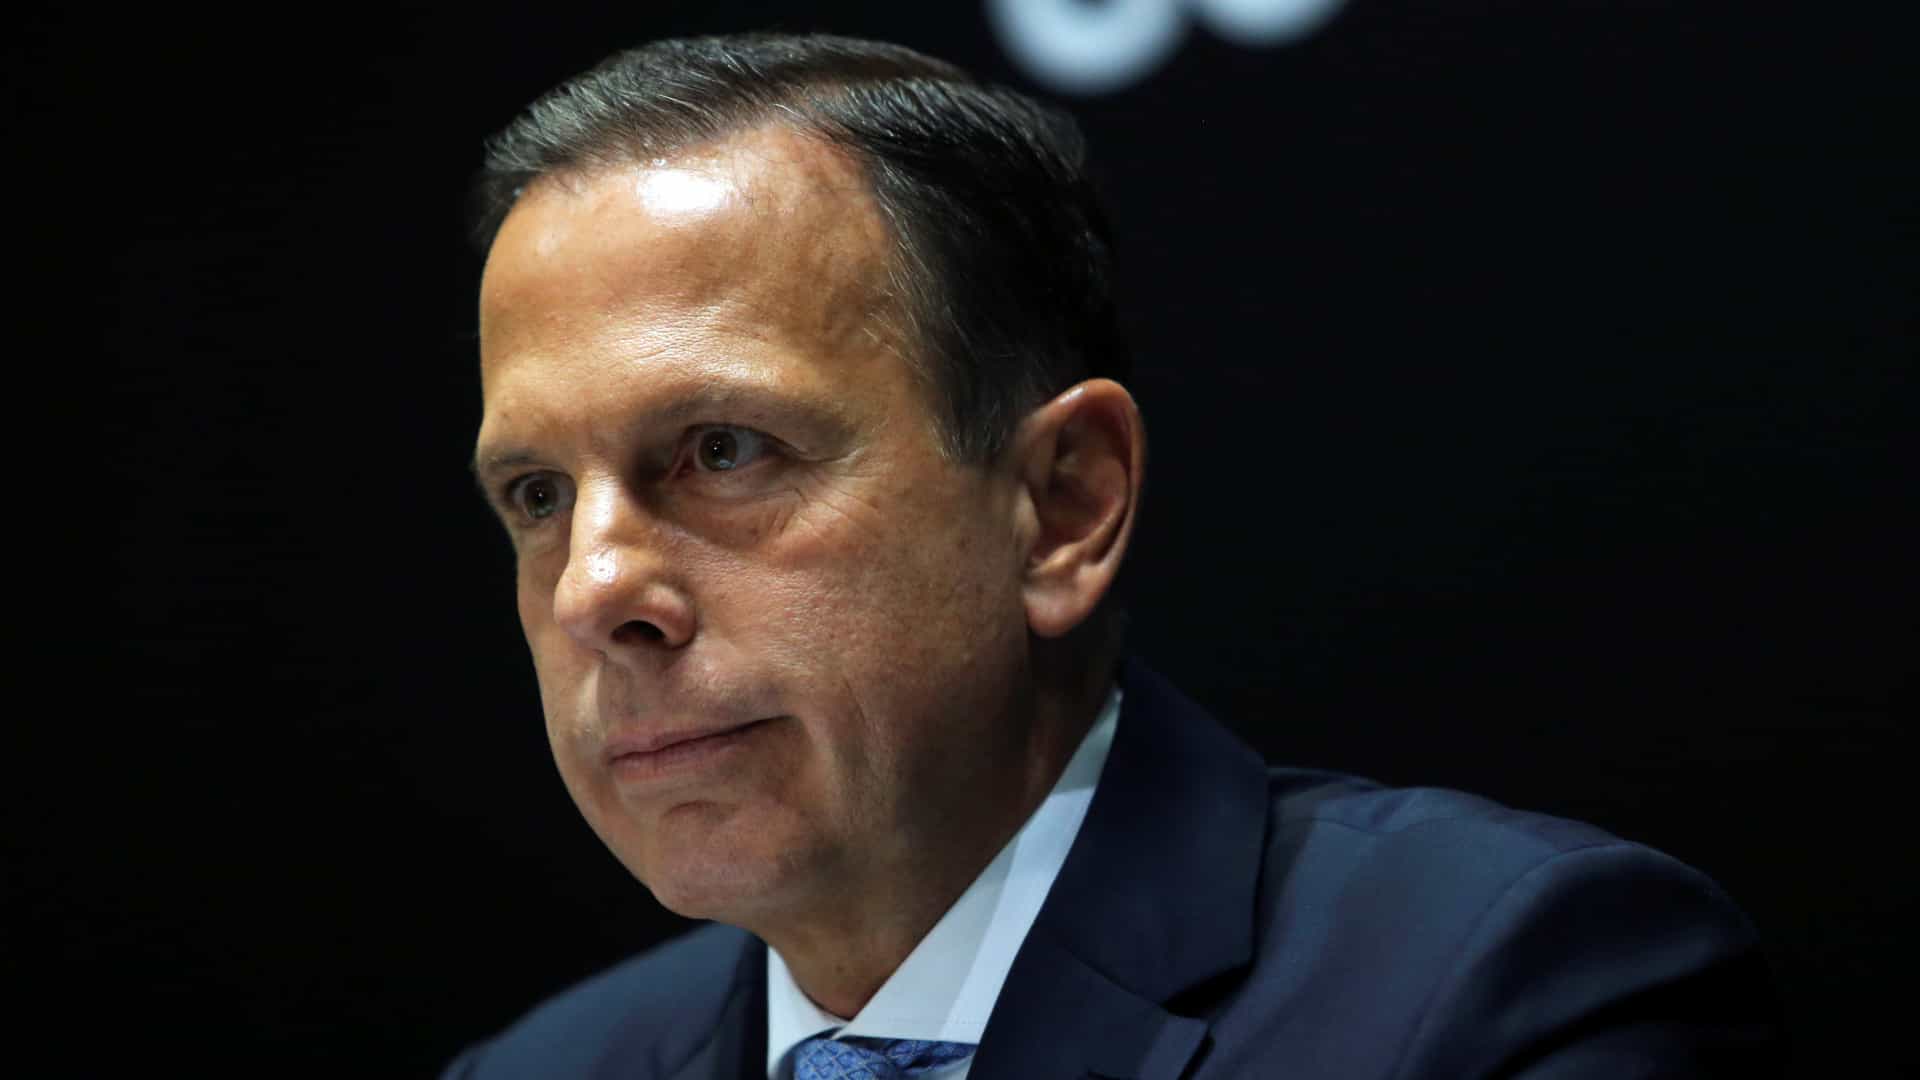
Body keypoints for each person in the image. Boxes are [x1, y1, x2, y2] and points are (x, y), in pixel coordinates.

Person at [446, 32, 1783, 1079]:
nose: (595, 589)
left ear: (1063, 504)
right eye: (538, 493)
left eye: (722, 450)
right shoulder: (536, 1071)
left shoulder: (1500, 994)